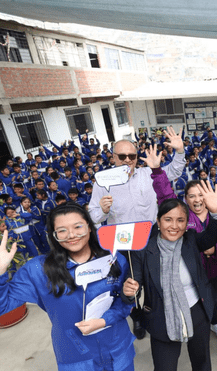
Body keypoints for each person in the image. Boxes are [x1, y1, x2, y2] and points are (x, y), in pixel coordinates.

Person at [0, 203, 135, 370]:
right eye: (62, 230)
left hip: (117, 350)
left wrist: (104, 320)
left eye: (78, 226)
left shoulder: (114, 260)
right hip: (77, 356)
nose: (72, 235)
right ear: (53, 235)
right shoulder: (38, 270)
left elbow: (125, 302)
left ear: (89, 227)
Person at [89, 126, 186, 340]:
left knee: (156, 276)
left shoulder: (147, 173)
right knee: (131, 280)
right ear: (113, 157)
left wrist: (179, 151)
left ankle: (156, 310)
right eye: (121, 156)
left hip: (150, 234)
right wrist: (103, 210)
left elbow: (174, 172)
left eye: (131, 156)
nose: (127, 160)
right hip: (122, 239)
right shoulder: (102, 182)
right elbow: (92, 215)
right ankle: (137, 315)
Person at [122, 180, 217, 371]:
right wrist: (130, 291)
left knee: (202, 363)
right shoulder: (143, 250)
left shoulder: (191, 241)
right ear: (159, 221)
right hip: (162, 316)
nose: (174, 226)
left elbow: (214, 234)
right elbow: (133, 286)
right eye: (168, 219)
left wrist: (216, 212)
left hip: (197, 311)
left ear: (187, 224)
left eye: (180, 220)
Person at [148, 144, 217, 341]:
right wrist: (156, 171)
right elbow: (164, 195)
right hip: (188, 271)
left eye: (201, 195)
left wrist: (214, 250)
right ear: (185, 199)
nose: (197, 200)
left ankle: (214, 323)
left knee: (212, 299)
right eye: (192, 196)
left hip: (214, 271)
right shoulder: (183, 216)